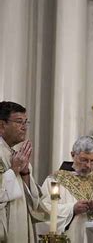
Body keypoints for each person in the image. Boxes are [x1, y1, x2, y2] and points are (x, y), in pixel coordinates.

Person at [42, 136, 93, 243]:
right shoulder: (55, 181)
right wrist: (72, 209)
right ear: (72, 155)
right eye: (84, 160)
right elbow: (44, 209)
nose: (89, 165)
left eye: (92, 160)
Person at [0, 101, 47, 242]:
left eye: (26, 122)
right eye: (19, 122)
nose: (24, 127)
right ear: (2, 125)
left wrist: (25, 173)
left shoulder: (16, 154)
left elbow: (33, 203)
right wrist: (14, 170)